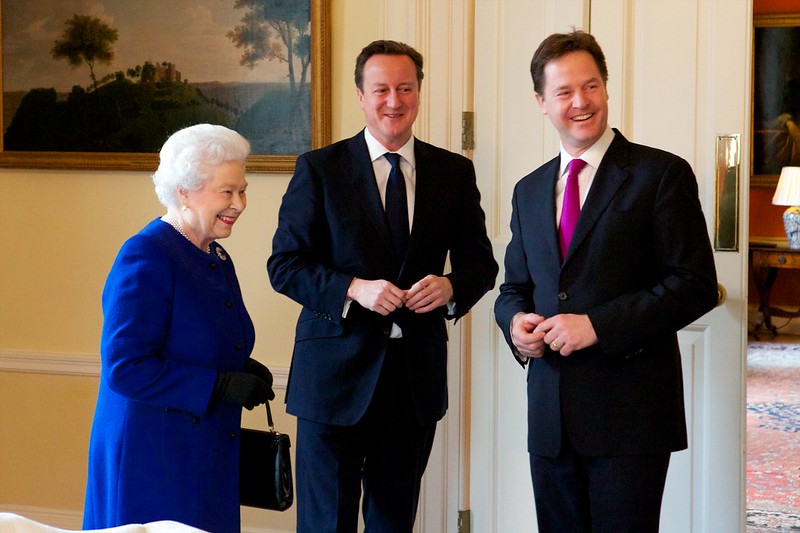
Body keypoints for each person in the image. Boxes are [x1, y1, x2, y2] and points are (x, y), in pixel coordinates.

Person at [268, 40, 498, 532]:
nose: (394, 101)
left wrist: (451, 286)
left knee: (393, 524)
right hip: (331, 382)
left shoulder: (453, 173)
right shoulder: (320, 169)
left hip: (413, 382)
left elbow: (481, 265)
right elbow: (284, 265)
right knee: (326, 525)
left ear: (418, 92)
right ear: (360, 95)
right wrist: (353, 288)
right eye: (381, 90)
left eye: (405, 88)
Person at [494, 30, 718, 532]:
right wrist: (516, 325)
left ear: (606, 90)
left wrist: (596, 325)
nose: (581, 102)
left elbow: (695, 282)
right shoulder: (528, 190)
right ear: (541, 103)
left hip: (630, 418)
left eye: (591, 86)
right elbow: (513, 290)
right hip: (550, 418)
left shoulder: (660, 174)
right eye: (565, 92)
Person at [83, 124, 274, 533]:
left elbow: (193, 339)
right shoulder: (146, 255)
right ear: (184, 192)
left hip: (202, 453)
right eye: (227, 191)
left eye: (242, 190)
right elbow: (125, 367)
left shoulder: (213, 254)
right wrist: (219, 385)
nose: (239, 204)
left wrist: (242, 367)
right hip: (153, 460)